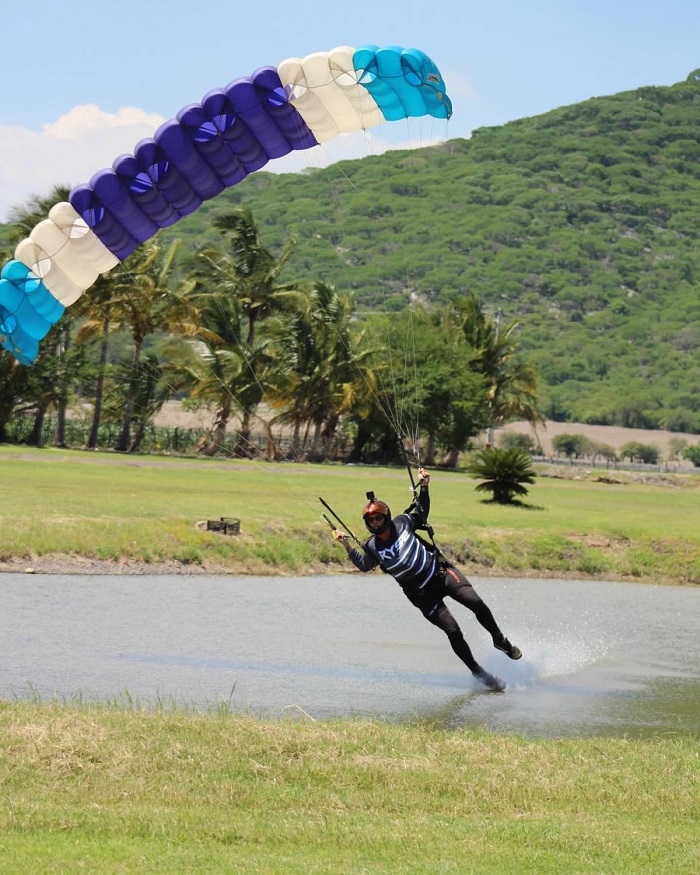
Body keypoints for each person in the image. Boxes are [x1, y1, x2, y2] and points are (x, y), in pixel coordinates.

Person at [332, 467, 522, 691]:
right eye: (370, 520)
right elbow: (364, 565)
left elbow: (421, 513)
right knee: (452, 631)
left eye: (378, 517)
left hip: (440, 574)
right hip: (422, 595)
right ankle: (478, 672)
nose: (375, 522)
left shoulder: (403, 522)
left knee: (475, 602)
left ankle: (499, 639)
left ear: (386, 516)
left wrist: (425, 486)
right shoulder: (372, 547)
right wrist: (345, 544)